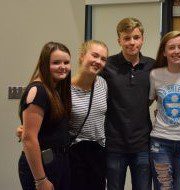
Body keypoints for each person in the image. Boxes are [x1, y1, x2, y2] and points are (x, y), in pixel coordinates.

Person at [99, 17, 154, 190]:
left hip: (143, 145)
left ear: (142, 38)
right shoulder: (106, 66)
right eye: (127, 38)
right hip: (114, 144)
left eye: (136, 37)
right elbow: (85, 92)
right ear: (119, 41)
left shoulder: (152, 66)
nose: (132, 42)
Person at [149, 31, 180, 190]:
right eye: (171, 47)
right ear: (164, 51)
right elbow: (152, 100)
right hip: (161, 142)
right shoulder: (155, 74)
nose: (176, 51)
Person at [18, 42, 72, 190]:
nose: (63, 66)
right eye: (56, 62)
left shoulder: (56, 89)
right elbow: (29, 139)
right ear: (44, 64)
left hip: (57, 161)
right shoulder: (38, 90)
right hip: (43, 166)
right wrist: (41, 179)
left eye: (66, 62)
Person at [69, 40, 108, 190]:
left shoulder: (103, 84)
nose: (98, 61)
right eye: (95, 55)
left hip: (98, 153)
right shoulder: (66, 89)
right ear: (82, 56)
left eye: (103, 59)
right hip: (74, 154)